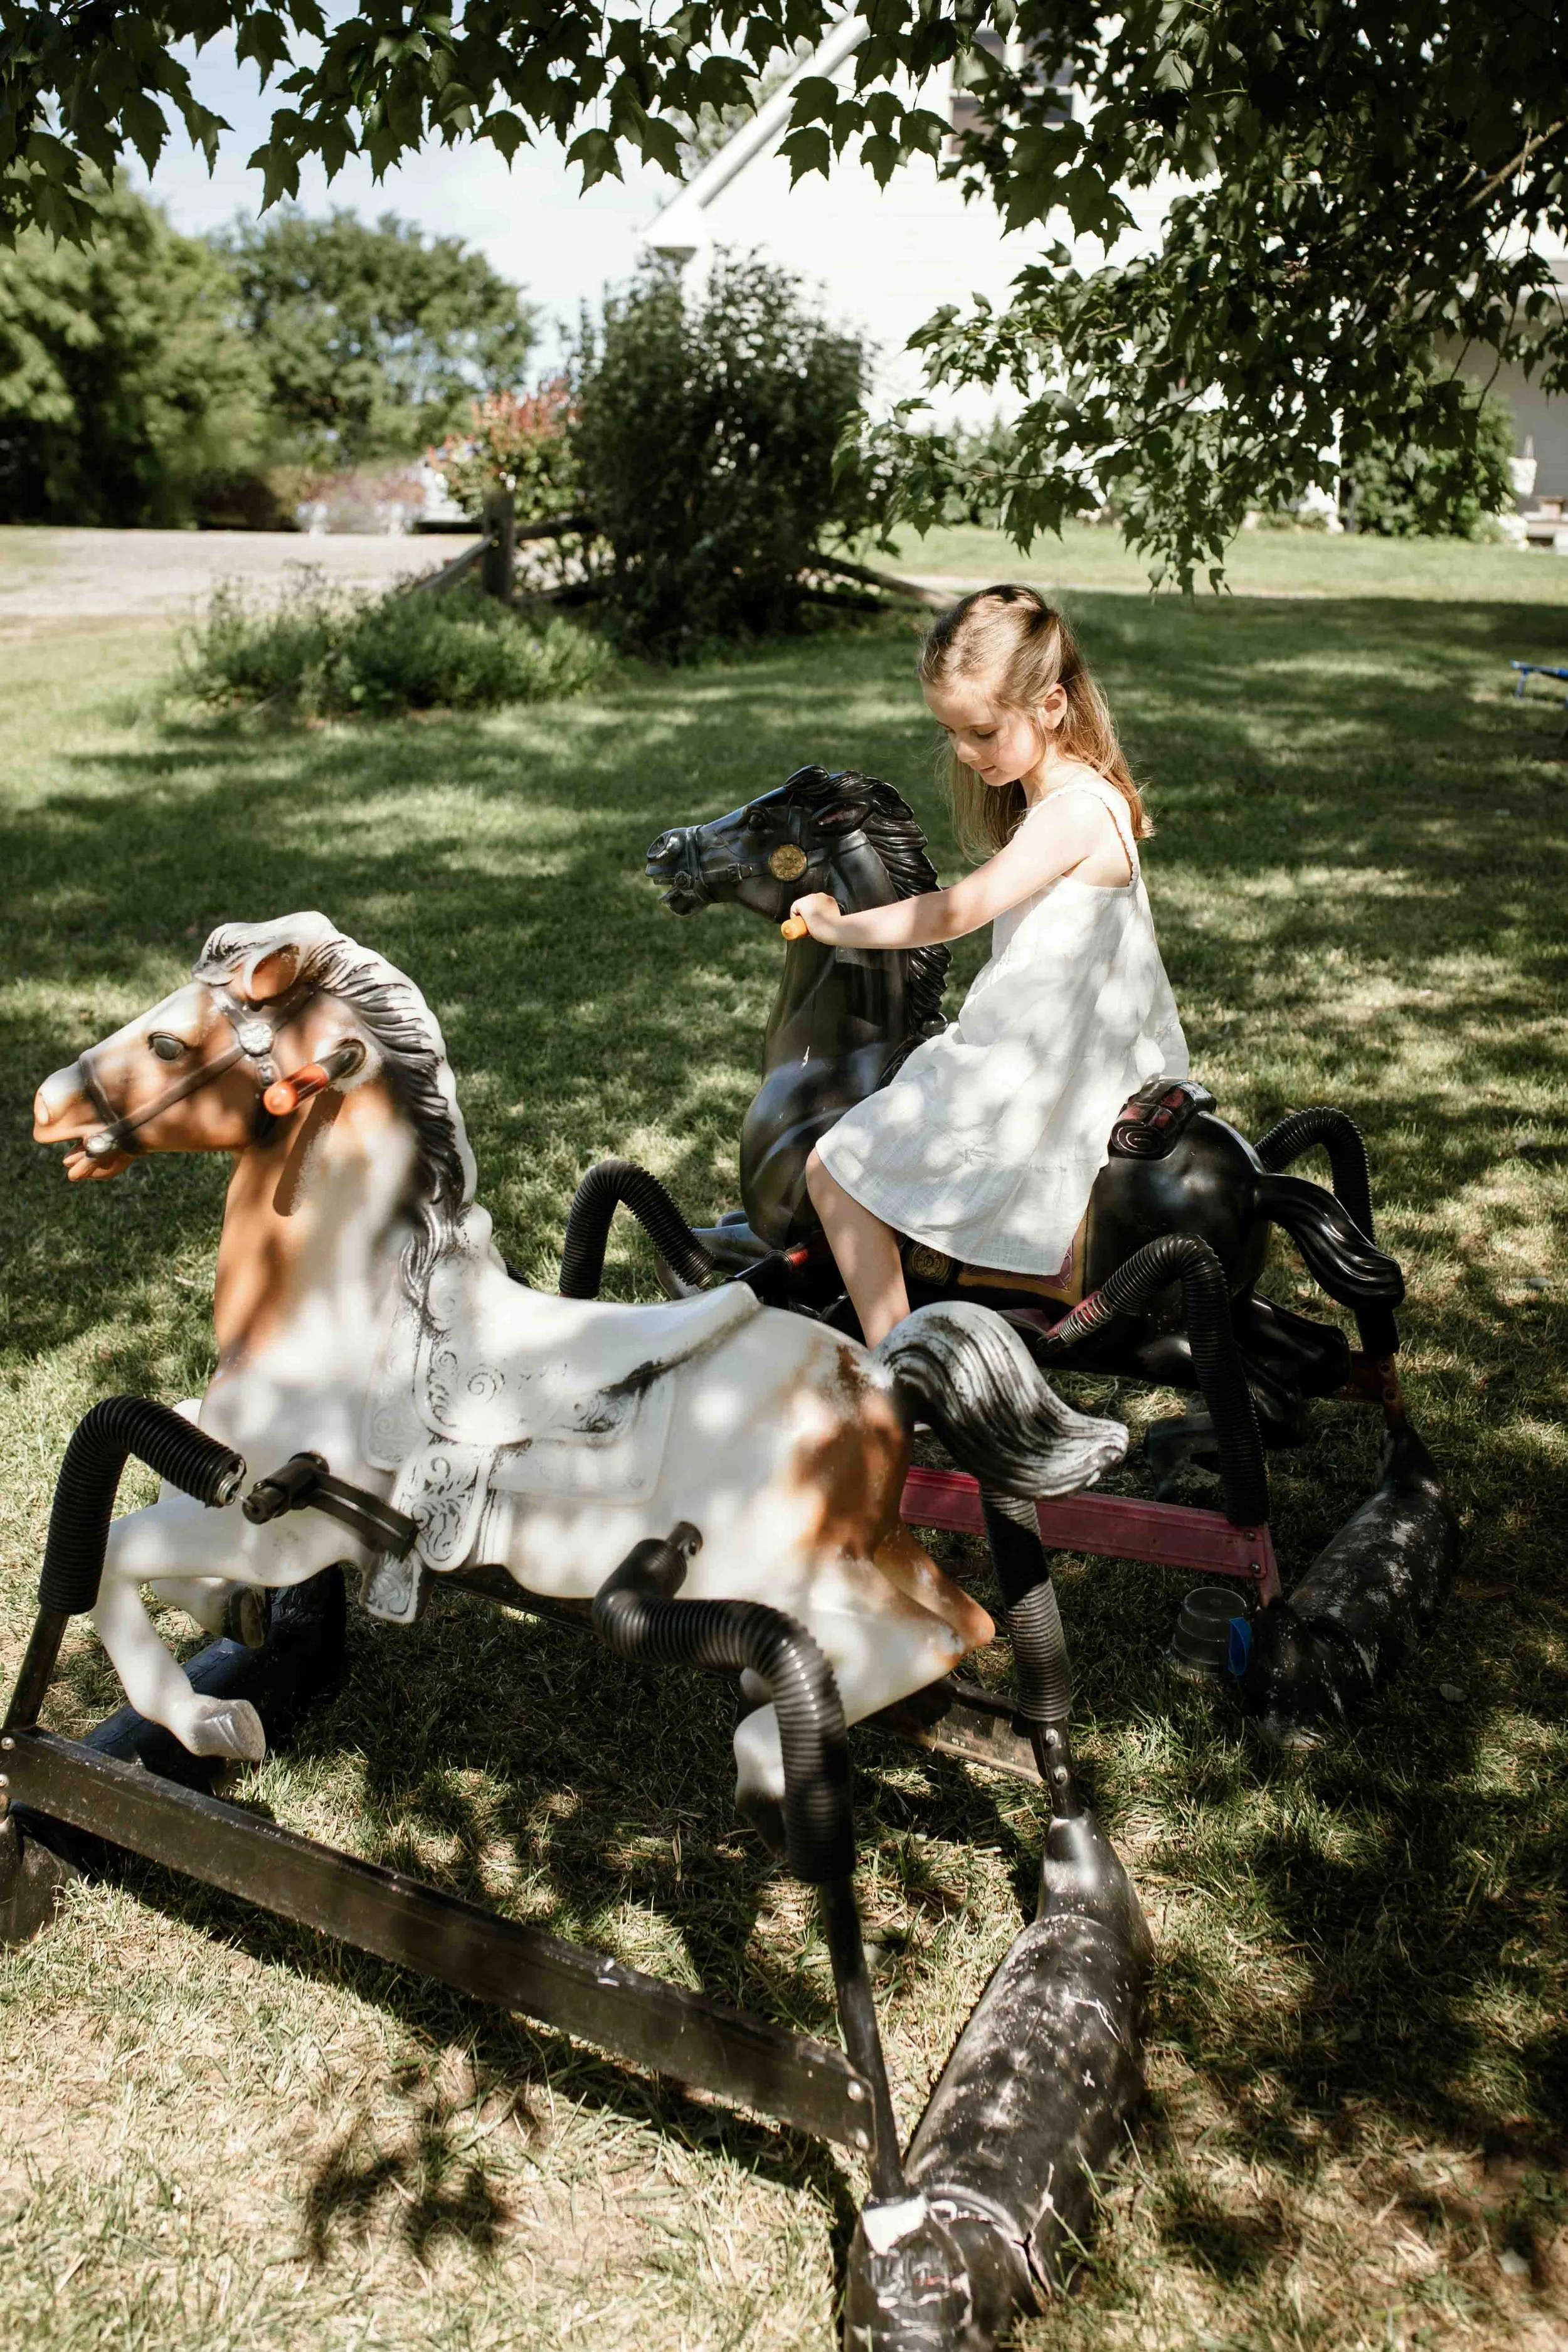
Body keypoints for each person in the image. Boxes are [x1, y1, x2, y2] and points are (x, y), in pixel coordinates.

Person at [792, 584, 1188, 1347]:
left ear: (1049, 706)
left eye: (979, 732)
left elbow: (954, 912)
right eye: (952, 736)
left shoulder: (1072, 812)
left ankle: (898, 1365)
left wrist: (837, 925)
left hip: (1042, 1071)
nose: (966, 755)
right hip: (1049, 1044)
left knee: (835, 1168)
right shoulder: (1079, 797)